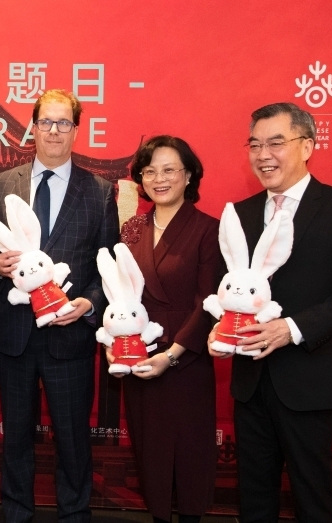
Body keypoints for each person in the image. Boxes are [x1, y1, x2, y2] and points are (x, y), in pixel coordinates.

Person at [209, 102, 332, 523]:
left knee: (311, 498)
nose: (263, 154)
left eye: (276, 143)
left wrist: (292, 328)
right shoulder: (240, 214)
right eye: (255, 145)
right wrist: (220, 328)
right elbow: (227, 288)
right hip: (251, 385)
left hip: (310, 383)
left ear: (307, 146)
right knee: (254, 499)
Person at [0, 89, 119, 522]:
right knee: (16, 437)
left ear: (76, 130)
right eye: (46, 122)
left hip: (70, 335)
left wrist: (89, 303)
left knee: (73, 438)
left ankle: (74, 514)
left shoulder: (99, 191)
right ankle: (16, 513)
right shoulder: (4, 183)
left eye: (64, 123)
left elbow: (108, 265)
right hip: (15, 334)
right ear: (33, 128)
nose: (54, 131)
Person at [112, 136, 221, 523]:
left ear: (189, 175)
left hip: (186, 357)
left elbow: (208, 303)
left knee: (190, 453)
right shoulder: (133, 229)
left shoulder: (209, 230)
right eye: (150, 171)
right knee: (151, 452)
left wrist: (172, 355)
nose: (159, 179)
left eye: (169, 169)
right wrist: (116, 342)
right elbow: (120, 294)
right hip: (139, 356)